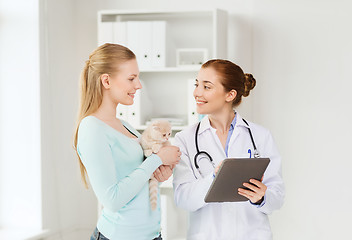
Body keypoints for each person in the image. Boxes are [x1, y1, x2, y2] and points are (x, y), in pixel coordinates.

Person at [73, 43, 180, 240]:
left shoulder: (124, 125)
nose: (138, 85)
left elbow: (137, 175)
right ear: (106, 81)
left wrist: (159, 172)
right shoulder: (91, 128)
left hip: (152, 235)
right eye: (131, 78)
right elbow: (112, 200)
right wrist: (156, 160)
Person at [173, 59, 285, 240]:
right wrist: (214, 179)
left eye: (206, 87)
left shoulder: (260, 136)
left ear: (230, 94)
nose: (196, 93)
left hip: (252, 234)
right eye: (197, 84)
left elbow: (277, 196)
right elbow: (182, 199)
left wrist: (262, 197)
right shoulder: (185, 139)